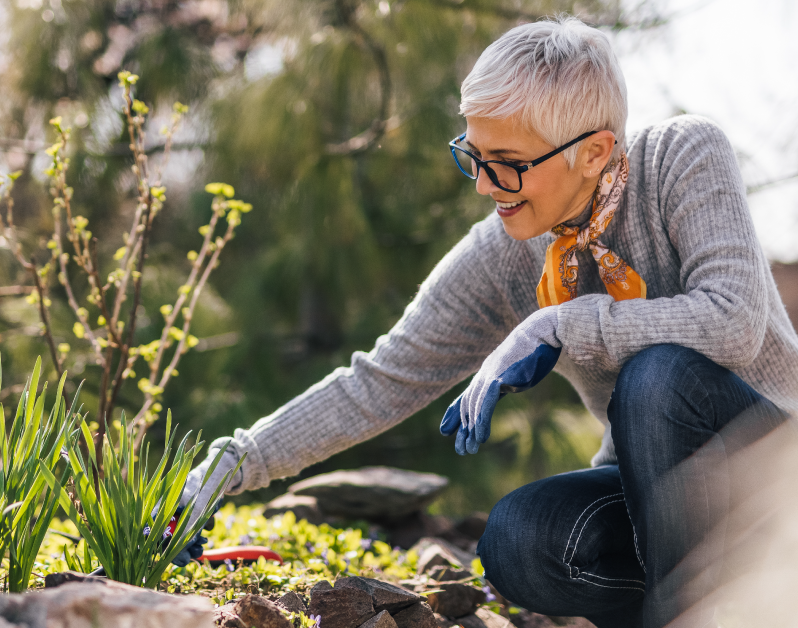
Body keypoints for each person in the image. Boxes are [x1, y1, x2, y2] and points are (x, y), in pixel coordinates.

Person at [178, 15, 798, 628]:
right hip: (663, 506)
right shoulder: (503, 251)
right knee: (518, 540)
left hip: (777, 477)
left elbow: (732, 321)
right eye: (472, 155)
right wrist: (230, 465)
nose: (483, 184)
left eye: (506, 161)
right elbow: (381, 379)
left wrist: (558, 324)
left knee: (657, 375)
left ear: (594, 152)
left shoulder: (682, 156)